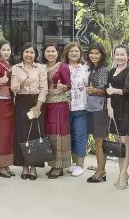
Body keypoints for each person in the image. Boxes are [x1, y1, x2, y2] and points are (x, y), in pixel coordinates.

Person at [11, 43, 48, 180]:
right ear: (22, 53)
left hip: (36, 103)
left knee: (35, 134)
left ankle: (33, 167)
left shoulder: (40, 68)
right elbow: (13, 88)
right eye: (26, 52)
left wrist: (38, 106)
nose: (29, 55)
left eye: (32, 52)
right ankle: (24, 166)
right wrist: (22, 84)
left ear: (35, 54)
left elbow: (44, 88)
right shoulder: (15, 68)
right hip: (21, 103)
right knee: (22, 134)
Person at [107, 44, 129, 190]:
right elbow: (108, 91)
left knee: (125, 142)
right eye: (117, 54)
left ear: (128, 56)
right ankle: (122, 172)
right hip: (115, 110)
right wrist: (109, 106)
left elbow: (128, 90)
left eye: (122, 54)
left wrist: (115, 91)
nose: (119, 57)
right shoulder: (111, 71)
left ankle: (123, 175)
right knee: (119, 144)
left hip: (126, 110)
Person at [42, 42, 71, 179]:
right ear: (44, 53)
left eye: (53, 51)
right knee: (51, 135)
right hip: (47, 104)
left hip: (59, 104)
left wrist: (63, 87)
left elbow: (68, 85)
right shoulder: (43, 68)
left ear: (57, 53)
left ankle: (59, 166)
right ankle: (53, 164)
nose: (50, 54)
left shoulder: (62, 66)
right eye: (48, 51)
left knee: (59, 134)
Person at [86, 43, 110, 183]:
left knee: (100, 141)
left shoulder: (103, 70)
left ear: (101, 55)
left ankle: (100, 171)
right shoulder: (92, 68)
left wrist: (95, 91)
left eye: (97, 53)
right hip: (92, 108)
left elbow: (106, 90)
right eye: (91, 53)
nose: (93, 55)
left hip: (100, 109)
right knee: (98, 141)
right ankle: (101, 168)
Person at [65, 42, 90, 177]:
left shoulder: (86, 68)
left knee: (80, 136)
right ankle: (74, 164)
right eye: (71, 51)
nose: (74, 53)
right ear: (67, 53)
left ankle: (80, 165)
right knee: (70, 137)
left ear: (80, 53)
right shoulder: (63, 67)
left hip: (82, 107)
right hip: (66, 107)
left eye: (76, 51)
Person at [0, 40, 15, 178]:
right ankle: (0, 165)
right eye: (4, 49)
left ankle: (6, 164)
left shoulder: (9, 64)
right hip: (1, 102)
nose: (6, 52)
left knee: (8, 134)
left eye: (8, 49)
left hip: (10, 101)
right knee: (1, 133)